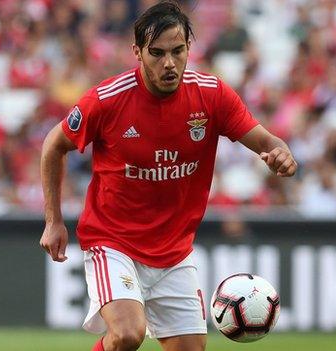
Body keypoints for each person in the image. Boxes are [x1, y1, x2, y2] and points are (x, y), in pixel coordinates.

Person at [39, 2, 296, 351]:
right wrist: (53, 221)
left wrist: (280, 153)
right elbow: (54, 146)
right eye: (157, 53)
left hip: (175, 252)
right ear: (137, 52)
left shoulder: (211, 95)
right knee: (128, 333)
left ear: (190, 47)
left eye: (177, 51)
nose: (169, 63)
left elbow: (267, 141)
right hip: (113, 242)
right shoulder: (107, 100)